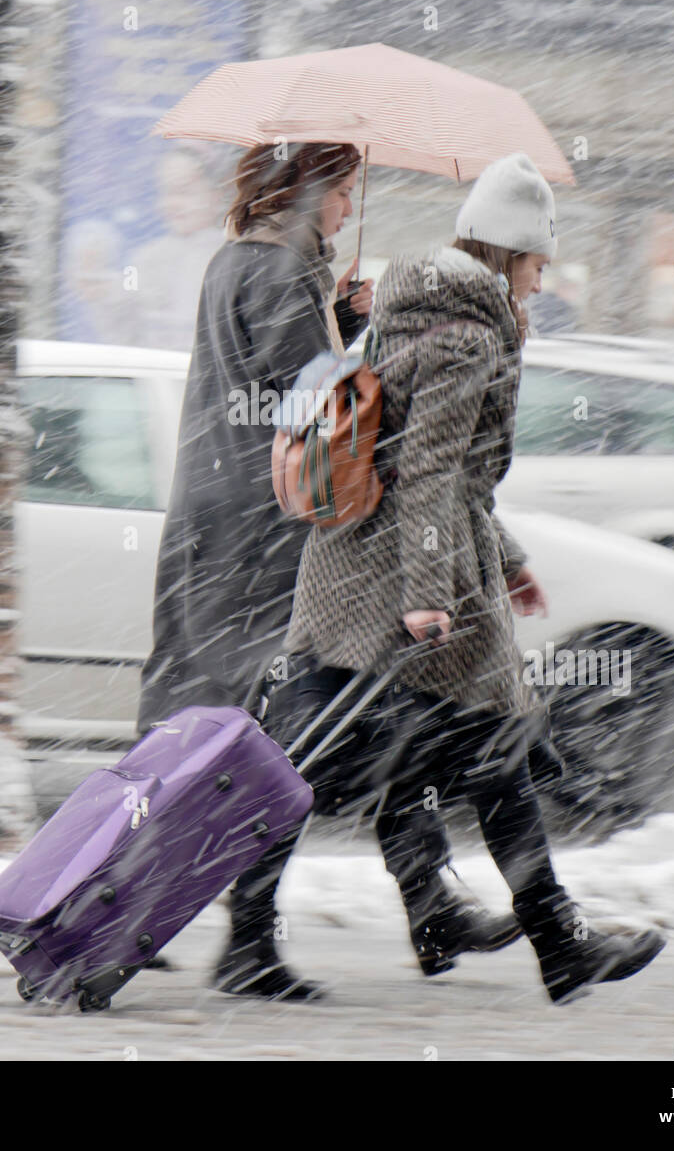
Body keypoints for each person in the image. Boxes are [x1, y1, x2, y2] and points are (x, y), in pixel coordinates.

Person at [216, 152, 666, 1005]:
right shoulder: (467, 338)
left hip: (357, 572)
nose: (540, 281)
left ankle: (309, 933)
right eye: (538, 263)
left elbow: (432, 468)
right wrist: (430, 594)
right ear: (508, 251)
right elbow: (429, 472)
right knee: (401, 759)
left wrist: (507, 559)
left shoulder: (411, 313)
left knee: (333, 761)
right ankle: (547, 940)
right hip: (401, 582)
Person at [141, 141, 521, 996]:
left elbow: (290, 380)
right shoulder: (277, 274)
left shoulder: (241, 260)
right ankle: (229, 931)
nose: (349, 210)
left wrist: (338, 325)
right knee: (286, 740)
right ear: (308, 192)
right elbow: (313, 404)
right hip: (264, 537)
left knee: (293, 725)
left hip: (220, 519)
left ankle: (415, 906)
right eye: (344, 193)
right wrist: (355, 348)